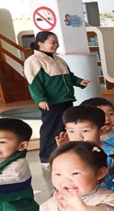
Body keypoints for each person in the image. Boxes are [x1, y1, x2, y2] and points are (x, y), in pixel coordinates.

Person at [23, 31, 91, 166]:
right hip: (51, 102)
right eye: (52, 42)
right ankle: (46, 157)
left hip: (65, 99)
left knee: (65, 127)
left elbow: (69, 76)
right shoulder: (33, 61)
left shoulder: (58, 59)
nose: (56, 45)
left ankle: (63, 152)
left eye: (57, 42)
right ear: (40, 44)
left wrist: (79, 82)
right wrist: (40, 99)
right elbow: (33, 83)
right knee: (51, 128)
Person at [59, 106, 114, 201]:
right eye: (71, 131)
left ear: (101, 131)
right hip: (86, 199)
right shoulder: (70, 152)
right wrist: (61, 149)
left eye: (85, 131)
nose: (78, 137)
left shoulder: (112, 153)